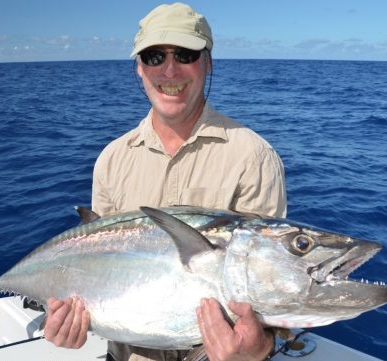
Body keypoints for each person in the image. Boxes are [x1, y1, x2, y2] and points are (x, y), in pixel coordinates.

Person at [44, 3, 286, 361]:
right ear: (138, 69)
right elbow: (92, 265)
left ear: (208, 63)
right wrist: (71, 321)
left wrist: (258, 349)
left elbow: (269, 285)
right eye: (155, 57)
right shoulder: (112, 159)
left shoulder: (253, 156)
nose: (169, 70)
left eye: (185, 54)